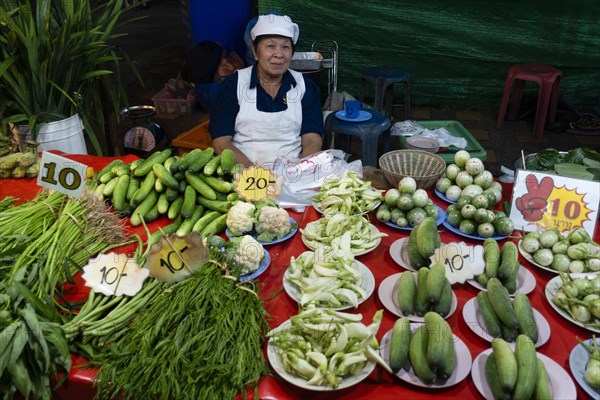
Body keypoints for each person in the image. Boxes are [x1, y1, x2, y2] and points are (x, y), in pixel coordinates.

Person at [208, 14, 324, 167]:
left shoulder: (305, 87)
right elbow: (221, 142)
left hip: (292, 174)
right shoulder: (233, 85)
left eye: (285, 47)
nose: (279, 54)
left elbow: (312, 138)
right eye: (270, 46)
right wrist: (256, 176)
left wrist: (300, 171)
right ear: (255, 52)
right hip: (243, 175)